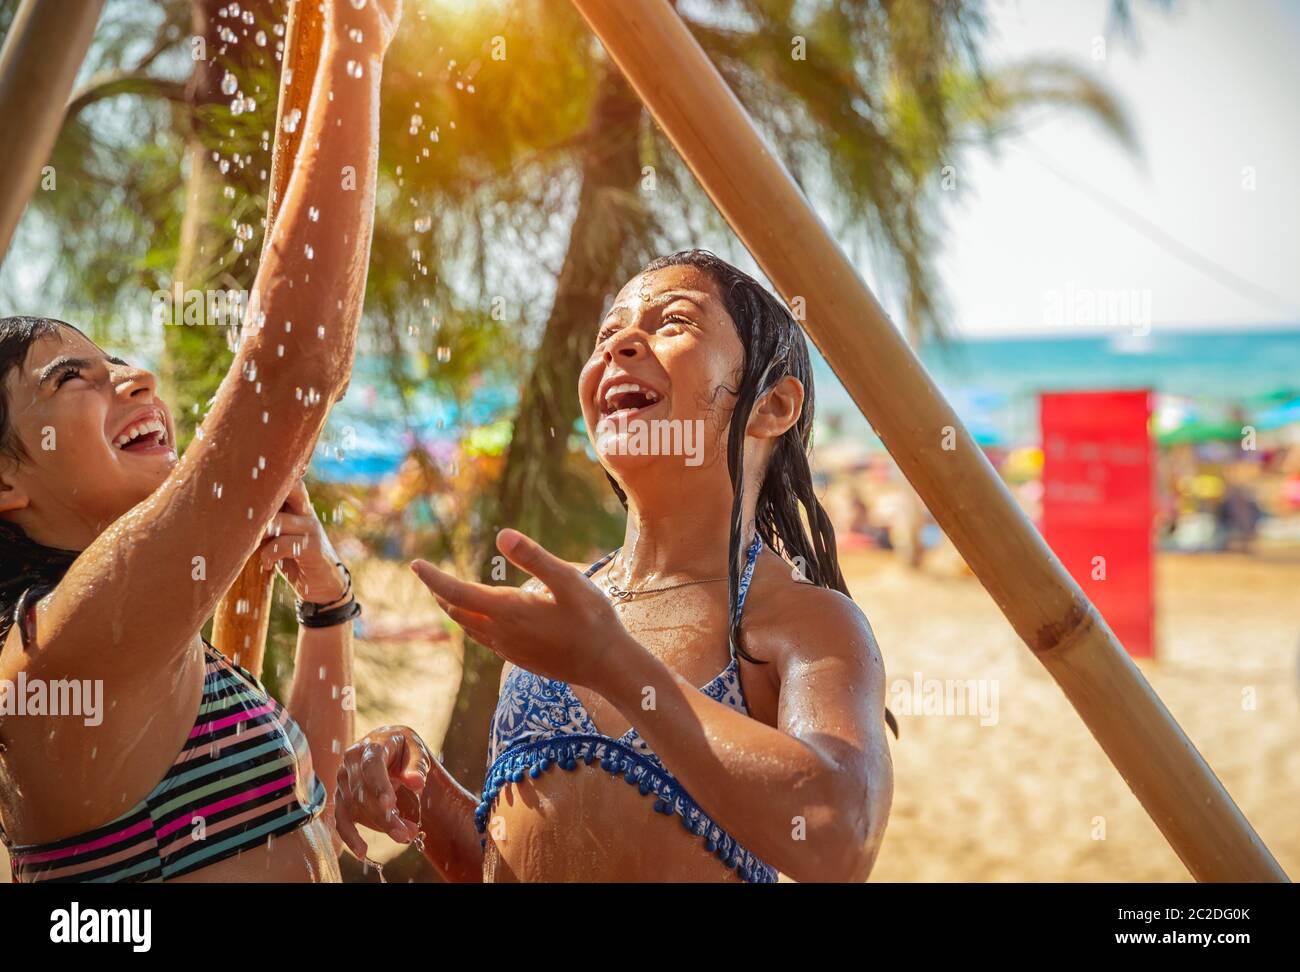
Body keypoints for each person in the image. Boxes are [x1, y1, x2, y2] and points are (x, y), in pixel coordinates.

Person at [0, 0, 401, 882]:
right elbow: (293, 372)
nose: (134, 377)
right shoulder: (54, 655)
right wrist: (357, 39)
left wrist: (326, 605)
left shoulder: (148, 630)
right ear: (6, 483)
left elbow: (310, 811)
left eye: (115, 359)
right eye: (74, 379)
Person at [336, 250, 896, 882]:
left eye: (673, 322)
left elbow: (839, 837)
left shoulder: (800, 623)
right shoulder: (556, 607)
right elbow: (507, 863)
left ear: (771, 407)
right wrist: (423, 792)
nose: (622, 342)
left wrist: (611, 664)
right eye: (608, 333)